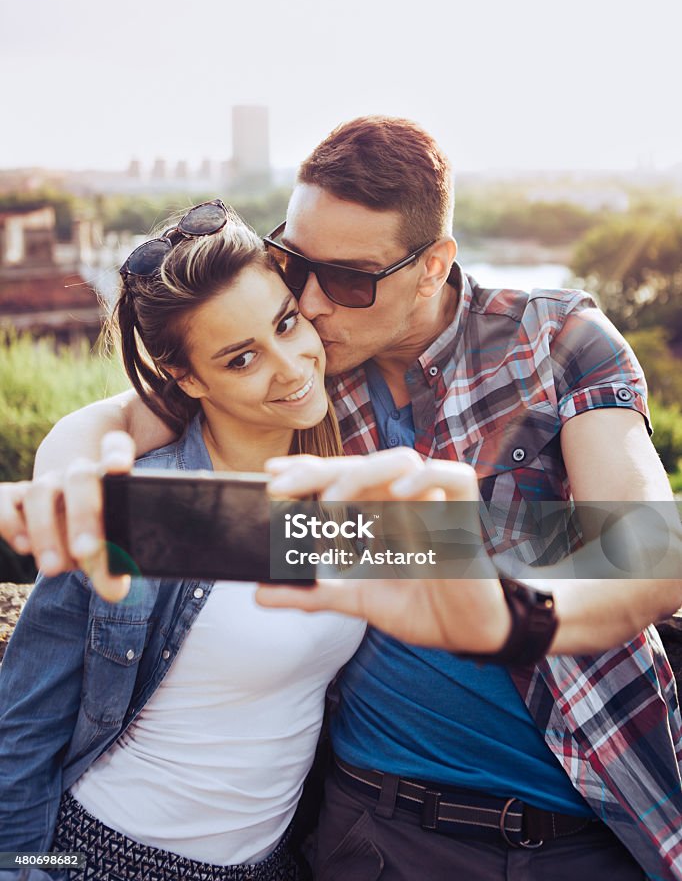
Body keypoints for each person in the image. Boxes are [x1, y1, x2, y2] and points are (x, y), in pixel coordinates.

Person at [2, 116, 682, 879]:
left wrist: (509, 611)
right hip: (371, 827)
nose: (315, 306)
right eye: (294, 264)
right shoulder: (307, 381)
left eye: (350, 279)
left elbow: (653, 551)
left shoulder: (556, 339)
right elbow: (143, 410)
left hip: (582, 817)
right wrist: (69, 477)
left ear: (433, 266)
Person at [0, 202, 368, 881]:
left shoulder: (353, 483)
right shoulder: (140, 510)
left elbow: (591, 556)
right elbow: (21, 730)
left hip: (272, 866)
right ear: (190, 379)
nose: (291, 368)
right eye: (242, 358)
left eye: (286, 323)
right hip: (99, 860)